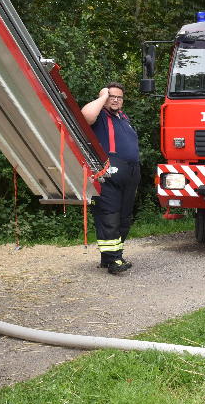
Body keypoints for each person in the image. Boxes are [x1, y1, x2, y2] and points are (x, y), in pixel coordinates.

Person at [81, 82, 141, 275]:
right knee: (109, 216)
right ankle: (113, 260)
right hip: (109, 171)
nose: (115, 99)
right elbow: (85, 116)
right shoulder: (99, 115)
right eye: (111, 96)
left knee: (124, 217)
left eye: (119, 97)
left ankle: (113, 256)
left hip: (130, 171)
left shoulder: (123, 117)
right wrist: (101, 97)